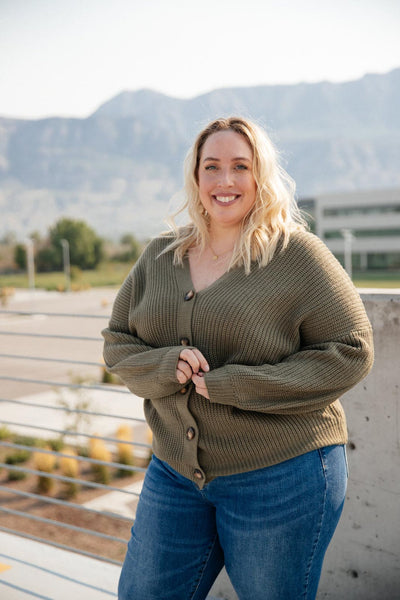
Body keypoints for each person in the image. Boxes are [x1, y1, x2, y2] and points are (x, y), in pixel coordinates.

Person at [102, 116, 374, 600]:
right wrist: (166, 367)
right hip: (175, 474)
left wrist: (236, 385)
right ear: (195, 177)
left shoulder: (297, 255)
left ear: (260, 176)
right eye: (212, 167)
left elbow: (352, 349)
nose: (224, 181)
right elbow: (118, 342)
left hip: (282, 475)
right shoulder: (159, 257)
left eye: (239, 167)